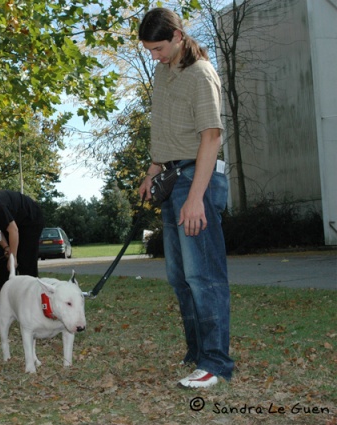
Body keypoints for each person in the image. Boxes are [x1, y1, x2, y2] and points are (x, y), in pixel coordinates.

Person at [137, 8, 234, 388]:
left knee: (204, 276)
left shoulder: (201, 75)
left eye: (158, 48)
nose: (154, 56)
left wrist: (196, 199)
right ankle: (197, 353)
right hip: (171, 177)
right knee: (180, 278)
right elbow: (165, 130)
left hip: (198, 180)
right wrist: (151, 172)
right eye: (149, 50)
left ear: (178, 36)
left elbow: (211, 138)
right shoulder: (164, 71)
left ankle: (215, 363)